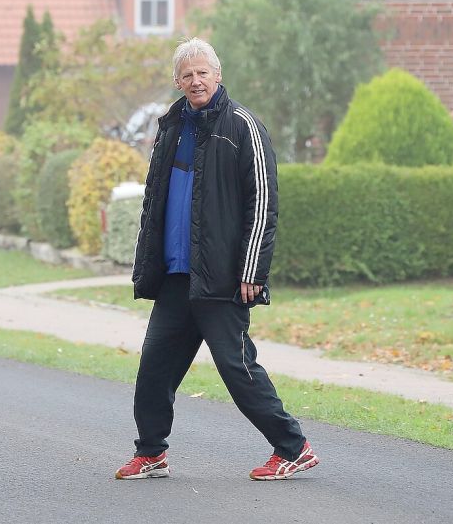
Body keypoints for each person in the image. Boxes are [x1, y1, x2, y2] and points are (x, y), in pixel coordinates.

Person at [116, 38, 319, 481]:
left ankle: (293, 447)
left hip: (223, 277)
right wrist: (149, 263)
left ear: (218, 74)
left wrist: (252, 271)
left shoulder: (243, 125)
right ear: (177, 81)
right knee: (154, 366)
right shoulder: (170, 126)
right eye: (187, 74)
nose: (195, 80)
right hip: (175, 276)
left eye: (203, 72)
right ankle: (151, 452)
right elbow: (155, 201)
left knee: (236, 366)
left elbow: (262, 203)